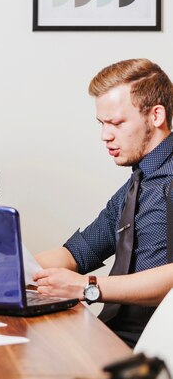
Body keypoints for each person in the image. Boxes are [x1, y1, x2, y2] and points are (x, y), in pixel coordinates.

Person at [34, 58, 173, 347]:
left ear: (156, 115)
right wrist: (4, 268)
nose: (105, 136)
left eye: (117, 123)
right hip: (113, 338)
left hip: (155, 348)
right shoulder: (137, 183)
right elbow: (78, 253)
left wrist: (88, 287)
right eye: (102, 123)